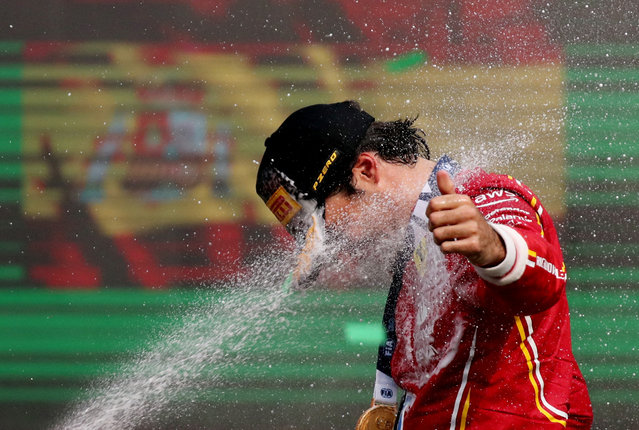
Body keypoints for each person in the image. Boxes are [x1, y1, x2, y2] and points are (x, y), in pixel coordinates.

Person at [255, 101, 593, 429]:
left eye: (327, 225)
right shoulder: (412, 246)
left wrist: (493, 247)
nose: (335, 250)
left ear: (366, 171)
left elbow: (543, 283)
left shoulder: (477, 201)